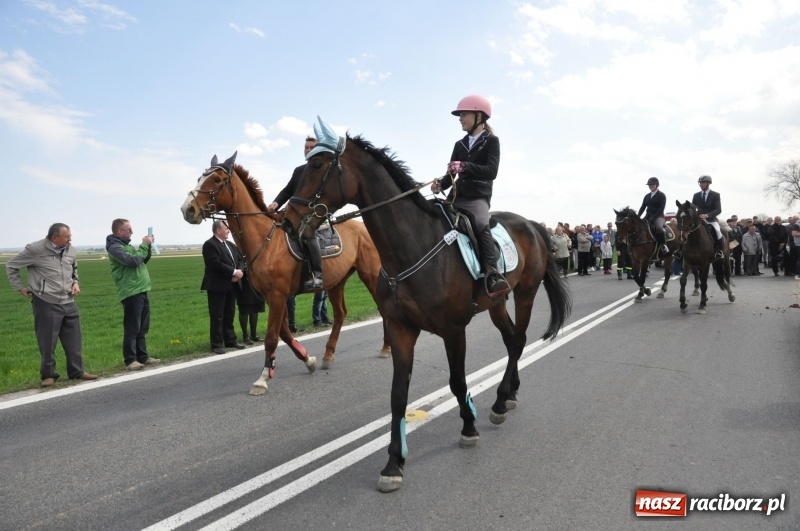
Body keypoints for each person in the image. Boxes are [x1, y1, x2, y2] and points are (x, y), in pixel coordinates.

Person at [431, 94, 510, 297]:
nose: (460, 118)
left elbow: (492, 171)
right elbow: (451, 175)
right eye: (460, 115)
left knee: (481, 224)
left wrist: (466, 166)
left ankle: (492, 273)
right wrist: (441, 183)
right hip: (457, 197)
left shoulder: (492, 141)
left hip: (478, 197)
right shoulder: (459, 144)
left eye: (463, 114)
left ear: (479, 116)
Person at [6, 223, 98, 387]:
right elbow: (11, 266)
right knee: (47, 342)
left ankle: (77, 372)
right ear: (54, 237)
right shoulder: (35, 249)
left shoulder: (71, 249)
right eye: (67, 236)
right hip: (46, 301)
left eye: (70, 236)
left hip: (68, 301)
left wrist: (75, 283)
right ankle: (48, 375)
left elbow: (73, 267)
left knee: (74, 340)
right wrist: (19, 287)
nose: (70, 239)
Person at [268, 136, 324, 290]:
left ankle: (317, 274)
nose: (308, 150)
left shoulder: (322, 170)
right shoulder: (299, 170)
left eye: (312, 147)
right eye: (306, 147)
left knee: (306, 233)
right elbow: (288, 190)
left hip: (313, 213)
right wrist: (276, 203)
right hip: (296, 212)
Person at [106, 219, 161, 370]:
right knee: (132, 327)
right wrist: (144, 245)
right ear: (119, 232)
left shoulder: (126, 246)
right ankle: (130, 360)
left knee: (142, 327)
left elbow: (142, 259)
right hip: (131, 291)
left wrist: (148, 247)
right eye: (129, 229)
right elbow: (133, 261)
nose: (132, 232)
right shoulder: (115, 248)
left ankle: (142, 356)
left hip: (141, 289)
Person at [201, 220, 245, 354]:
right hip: (217, 285)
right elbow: (215, 263)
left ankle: (230, 340)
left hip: (232, 284)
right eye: (226, 228)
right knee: (217, 315)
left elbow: (240, 260)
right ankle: (217, 344)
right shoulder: (209, 245)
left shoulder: (231, 245)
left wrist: (239, 272)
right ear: (218, 230)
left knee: (229, 313)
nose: (228, 230)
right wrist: (233, 272)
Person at [691, 175, 724, 260]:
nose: (701, 184)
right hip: (699, 219)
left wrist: (707, 215)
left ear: (708, 183)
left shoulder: (716, 195)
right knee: (688, 229)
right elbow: (693, 208)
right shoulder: (696, 195)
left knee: (717, 230)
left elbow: (718, 209)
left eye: (703, 182)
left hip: (711, 219)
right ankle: (680, 251)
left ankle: (720, 251)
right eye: (700, 183)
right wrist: (697, 215)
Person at [637, 177, 669, 254]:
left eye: (652, 184)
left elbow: (661, 208)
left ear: (657, 185)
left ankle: (663, 245)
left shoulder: (661, 195)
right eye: (649, 185)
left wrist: (654, 218)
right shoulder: (647, 196)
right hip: (648, 215)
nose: (651, 186)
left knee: (659, 228)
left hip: (658, 216)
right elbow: (642, 207)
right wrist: (638, 217)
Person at [236, 268, 264, 344]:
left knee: (255, 308)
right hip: (243, 278)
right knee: (244, 309)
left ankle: (254, 335)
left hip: (256, 277)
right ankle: (245, 336)